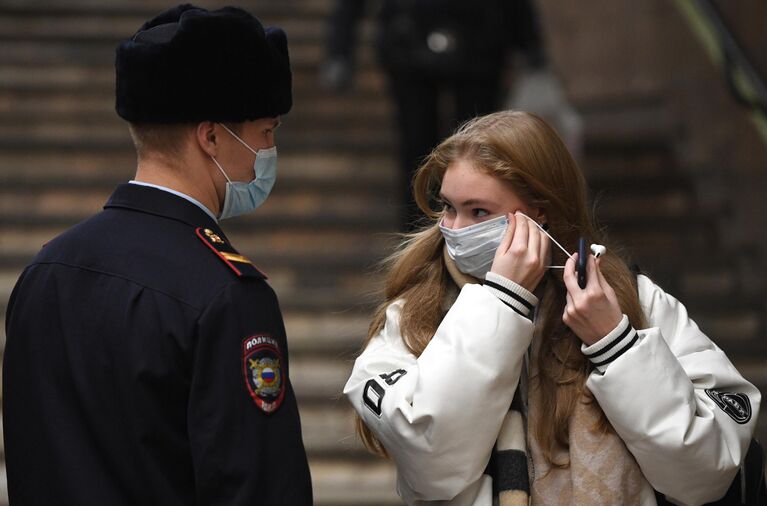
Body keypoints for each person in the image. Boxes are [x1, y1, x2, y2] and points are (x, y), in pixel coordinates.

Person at [343, 110, 761, 505]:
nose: (454, 230)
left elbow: (704, 474)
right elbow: (432, 463)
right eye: (449, 207)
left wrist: (616, 344)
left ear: (540, 215)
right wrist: (502, 301)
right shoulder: (415, 314)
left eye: (479, 212)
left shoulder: (632, 299)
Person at [3, 5, 312, 504]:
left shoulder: (47, 270)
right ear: (211, 136)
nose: (269, 151)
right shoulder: (225, 295)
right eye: (266, 133)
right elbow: (258, 485)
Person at [323, 0, 549, 231]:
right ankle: (419, 231)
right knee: (417, 145)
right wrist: (340, 49)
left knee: (479, 146)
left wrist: (529, 42)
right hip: (410, 40)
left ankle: (479, 223)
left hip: (477, 42)